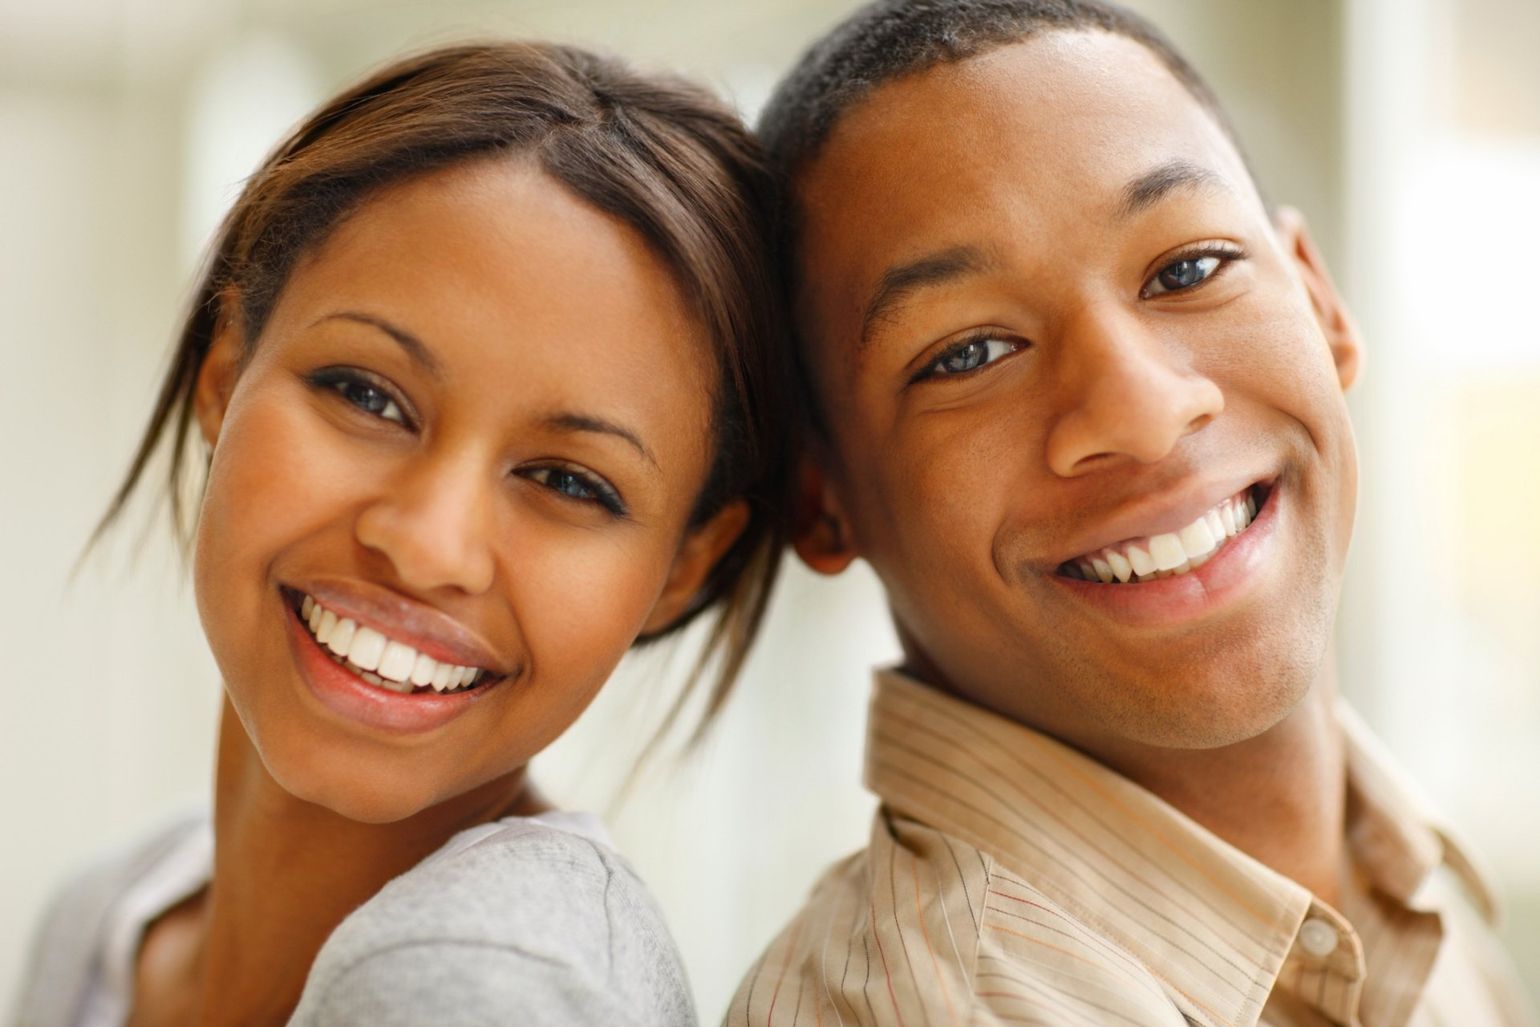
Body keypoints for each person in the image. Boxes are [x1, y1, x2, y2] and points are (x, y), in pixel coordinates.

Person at [728, 1, 1536, 1024]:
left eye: (1187, 269)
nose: (1141, 413)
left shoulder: (1403, 887)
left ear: (1322, 305)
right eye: (968, 353)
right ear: (820, 497)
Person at [13, 40, 788, 1027]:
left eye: (567, 480)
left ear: (686, 565)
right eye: (366, 395)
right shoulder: (109, 921)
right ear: (224, 369)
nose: (427, 543)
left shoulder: (480, 984)